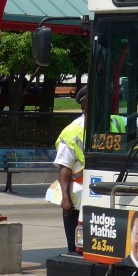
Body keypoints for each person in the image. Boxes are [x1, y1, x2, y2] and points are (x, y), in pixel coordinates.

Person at [52, 86, 89, 254]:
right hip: (78, 199)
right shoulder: (72, 132)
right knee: (76, 248)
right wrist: (65, 198)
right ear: (83, 106)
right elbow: (64, 167)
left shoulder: (112, 122)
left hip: (100, 196)